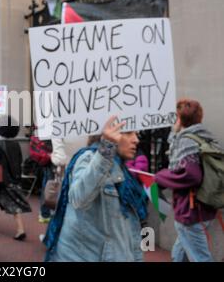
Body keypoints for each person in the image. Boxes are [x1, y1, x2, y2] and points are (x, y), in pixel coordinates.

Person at [44, 116, 148, 261]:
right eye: (128, 133)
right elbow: (78, 198)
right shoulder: (88, 158)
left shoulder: (123, 170)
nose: (136, 139)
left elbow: (130, 230)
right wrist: (107, 149)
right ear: (106, 134)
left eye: (136, 134)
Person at [155, 98, 219, 262]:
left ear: (179, 118)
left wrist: (160, 176)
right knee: (180, 251)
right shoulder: (204, 136)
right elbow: (176, 149)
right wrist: (175, 130)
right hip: (205, 205)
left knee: (200, 258)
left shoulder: (185, 141)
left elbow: (191, 174)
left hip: (190, 211)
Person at [0, 115, 31, 241]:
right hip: (14, 178)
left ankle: (18, 229)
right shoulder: (16, 143)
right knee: (6, 202)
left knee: (1, 201)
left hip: (1, 180)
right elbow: (19, 161)